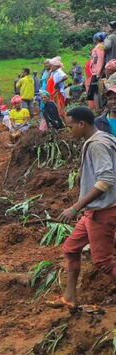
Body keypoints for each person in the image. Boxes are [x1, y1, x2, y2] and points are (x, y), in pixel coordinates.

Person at [51, 106, 116, 309]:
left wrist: (75, 207)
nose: (69, 130)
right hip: (92, 212)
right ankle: (69, 297)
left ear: (82, 124)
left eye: (71, 126)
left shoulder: (97, 145)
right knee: (71, 249)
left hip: (103, 211)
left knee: (103, 262)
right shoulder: (103, 138)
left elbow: (106, 180)